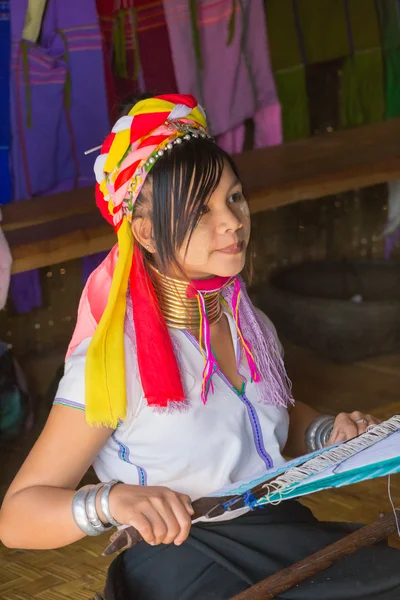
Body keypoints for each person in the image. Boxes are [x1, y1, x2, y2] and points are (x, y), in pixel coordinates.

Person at [0, 94, 399, 600]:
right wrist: (112, 502)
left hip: (281, 532)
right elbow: (17, 515)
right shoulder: (115, 360)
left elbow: (264, 421)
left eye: (233, 197)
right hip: (186, 560)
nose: (231, 221)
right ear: (145, 231)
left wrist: (327, 434)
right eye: (201, 211)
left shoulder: (248, 323)